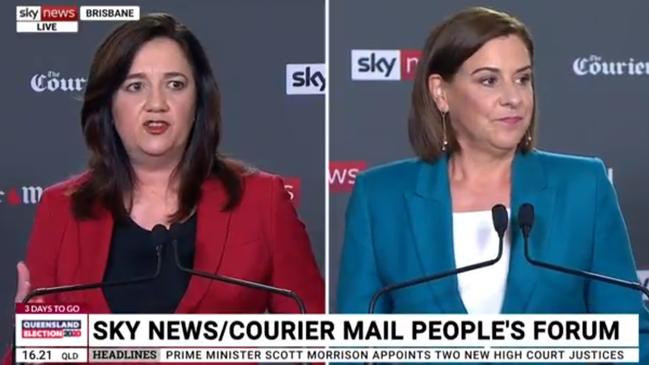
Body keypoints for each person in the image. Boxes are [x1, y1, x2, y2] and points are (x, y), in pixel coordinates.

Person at [336, 6, 648, 362]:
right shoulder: (380, 197)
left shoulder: (583, 188)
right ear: (441, 93)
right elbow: (355, 346)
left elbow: (628, 338)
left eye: (523, 79)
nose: (513, 97)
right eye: (489, 80)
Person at [12, 13, 324, 315]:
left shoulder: (261, 201)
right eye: (135, 86)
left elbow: (314, 341)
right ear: (108, 103)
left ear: (199, 99)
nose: (157, 104)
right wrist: (34, 339)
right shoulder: (61, 208)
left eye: (175, 84)